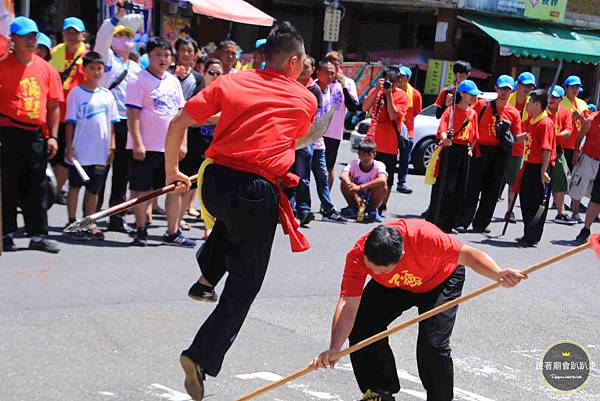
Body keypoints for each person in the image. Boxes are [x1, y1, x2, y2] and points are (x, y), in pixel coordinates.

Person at [163, 21, 317, 400]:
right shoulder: (305, 100)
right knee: (246, 284)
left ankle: (205, 279)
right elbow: (293, 136)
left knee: (229, 224)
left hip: (214, 182)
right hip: (254, 189)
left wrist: (173, 171)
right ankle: (199, 356)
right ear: (294, 61)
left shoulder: (231, 83)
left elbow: (180, 120)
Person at [312, 219, 527, 401]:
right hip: (395, 285)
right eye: (370, 267)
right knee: (361, 327)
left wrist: (498, 273)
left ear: (402, 254)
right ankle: (379, 390)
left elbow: (469, 255)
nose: (371, 271)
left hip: (440, 280)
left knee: (433, 346)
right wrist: (334, 347)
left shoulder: (424, 237)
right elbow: (349, 304)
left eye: (378, 269)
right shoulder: (358, 255)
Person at [0, 16, 64, 253]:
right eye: (25, 36)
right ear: (13, 39)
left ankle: (38, 235)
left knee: (36, 186)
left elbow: (53, 105)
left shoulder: (46, 69)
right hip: (7, 131)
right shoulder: (2, 65)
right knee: (8, 185)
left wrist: (53, 136)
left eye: (33, 36)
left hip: (36, 134)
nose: (30, 41)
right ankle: (5, 233)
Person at [125, 36, 193, 248]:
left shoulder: (173, 81)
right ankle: (141, 229)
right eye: (158, 55)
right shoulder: (138, 80)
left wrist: (183, 143)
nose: (163, 59)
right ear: (149, 56)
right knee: (142, 190)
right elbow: (133, 114)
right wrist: (137, 142)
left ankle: (172, 231)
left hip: (170, 147)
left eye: (166, 55)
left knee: (175, 188)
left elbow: (182, 114)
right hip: (147, 146)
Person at [94, 2, 143, 233]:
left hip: (128, 122)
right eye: (121, 35)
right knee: (101, 170)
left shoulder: (135, 66)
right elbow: (103, 36)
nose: (125, 39)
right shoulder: (107, 59)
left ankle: (116, 216)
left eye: (129, 35)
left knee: (123, 173)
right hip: (108, 120)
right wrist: (118, 17)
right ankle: (92, 214)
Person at [63, 52, 119, 240]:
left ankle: (89, 222)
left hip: (100, 151)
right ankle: (72, 220)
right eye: (92, 68)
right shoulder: (76, 93)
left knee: (94, 189)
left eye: (99, 68)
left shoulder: (107, 95)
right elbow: (70, 122)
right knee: (75, 187)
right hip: (80, 151)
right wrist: (69, 146)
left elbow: (112, 123)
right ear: (84, 69)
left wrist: (112, 145)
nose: (96, 72)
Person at [456, 75, 521, 233]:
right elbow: (469, 122)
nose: (504, 92)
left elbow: (516, 136)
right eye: (501, 88)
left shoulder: (514, 113)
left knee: (492, 191)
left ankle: (481, 224)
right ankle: (463, 221)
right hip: (480, 149)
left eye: (507, 89)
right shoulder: (482, 105)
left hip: (500, 153)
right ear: (496, 88)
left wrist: (525, 137)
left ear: (512, 90)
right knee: (472, 187)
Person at [427, 79, 480, 233]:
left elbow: (475, 134)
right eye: (471, 95)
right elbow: (442, 128)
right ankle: (436, 220)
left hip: (464, 151)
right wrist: (445, 138)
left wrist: (471, 148)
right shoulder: (450, 111)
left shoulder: (473, 113)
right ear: (462, 94)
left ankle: (450, 223)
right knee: (445, 186)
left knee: (460, 189)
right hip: (450, 149)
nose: (473, 98)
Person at [49, 16, 88, 204]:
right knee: (53, 155)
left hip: (76, 116)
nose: (71, 36)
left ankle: (55, 190)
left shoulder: (87, 57)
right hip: (54, 112)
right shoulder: (54, 52)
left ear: (83, 35)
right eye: (68, 32)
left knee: (67, 156)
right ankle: (55, 188)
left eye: (75, 32)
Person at [362, 67, 409, 216]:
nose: (392, 85)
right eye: (389, 81)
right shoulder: (377, 91)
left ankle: (381, 206)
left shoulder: (402, 96)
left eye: (394, 82)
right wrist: (376, 90)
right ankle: (364, 204)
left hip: (389, 144)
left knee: (386, 179)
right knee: (367, 174)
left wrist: (389, 95)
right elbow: (364, 107)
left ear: (399, 81)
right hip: (372, 140)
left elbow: (393, 115)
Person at [170, 36, 206, 231]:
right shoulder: (167, 73)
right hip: (168, 130)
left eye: (190, 50)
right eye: (182, 50)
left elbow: (194, 104)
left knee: (187, 178)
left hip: (191, 132)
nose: (186, 54)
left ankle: (179, 217)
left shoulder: (198, 78)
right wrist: (174, 78)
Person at [514, 89, 556, 247]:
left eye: (529, 102)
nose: (527, 105)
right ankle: (528, 233)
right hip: (529, 164)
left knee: (536, 202)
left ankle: (532, 236)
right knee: (525, 199)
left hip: (540, 166)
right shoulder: (533, 120)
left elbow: (547, 150)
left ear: (537, 104)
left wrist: (544, 171)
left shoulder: (545, 123)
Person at [322, 51, 359, 192]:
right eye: (330, 64)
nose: (333, 68)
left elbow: (353, 107)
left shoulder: (349, 83)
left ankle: (325, 201)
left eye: (336, 64)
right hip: (317, 131)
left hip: (334, 133)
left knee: (329, 168)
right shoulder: (320, 80)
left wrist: (343, 85)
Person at [505, 71, 536, 223]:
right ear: (518, 85)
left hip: (519, 147)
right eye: (525, 85)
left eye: (530, 86)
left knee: (513, 181)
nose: (527, 88)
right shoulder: (507, 98)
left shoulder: (533, 103)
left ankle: (509, 210)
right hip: (501, 145)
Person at [340, 140, 387, 223]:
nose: (365, 157)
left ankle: (372, 211)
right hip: (355, 193)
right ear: (358, 154)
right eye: (362, 154)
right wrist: (355, 193)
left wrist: (360, 187)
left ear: (374, 155)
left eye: (368, 154)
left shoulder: (379, 165)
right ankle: (353, 208)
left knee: (383, 186)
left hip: (371, 194)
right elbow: (343, 175)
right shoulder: (354, 163)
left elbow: (382, 179)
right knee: (344, 182)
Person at [547, 85, 574, 225]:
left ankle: (561, 212)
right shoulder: (542, 109)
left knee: (561, 178)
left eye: (555, 97)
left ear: (561, 99)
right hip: (540, 149)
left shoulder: (565, 112)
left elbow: (568, 131)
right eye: (550, 96)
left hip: (556, 149)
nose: (551, 99)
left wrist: (554, 135)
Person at [571, 112, 600, 242]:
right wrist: (576, 153)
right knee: (579, 187)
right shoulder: (591, 120)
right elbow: (579, 138)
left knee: (596, 197)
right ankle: (579, 219)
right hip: (588, 158)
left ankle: (593, 219)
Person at [395, 65, 422, 194]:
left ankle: (402, 182)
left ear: (408, 78)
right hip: (393, 128)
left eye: (402, 76)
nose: (399, 78)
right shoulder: (392, 91)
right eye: (398, 75)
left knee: (405, 157)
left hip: (407, 130)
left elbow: (416, 112)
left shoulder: (415, 94)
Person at [560, 75, 590, 173]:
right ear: (566, 88)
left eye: (577, 87)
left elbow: (587, 126)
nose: (575, 89)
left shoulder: (582, 104)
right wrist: (572, 118)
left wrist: (582, 119)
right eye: (572, 87)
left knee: (574, 176)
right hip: (563, 145)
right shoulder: (560, 103)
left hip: (577, 146)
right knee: (561, 175)